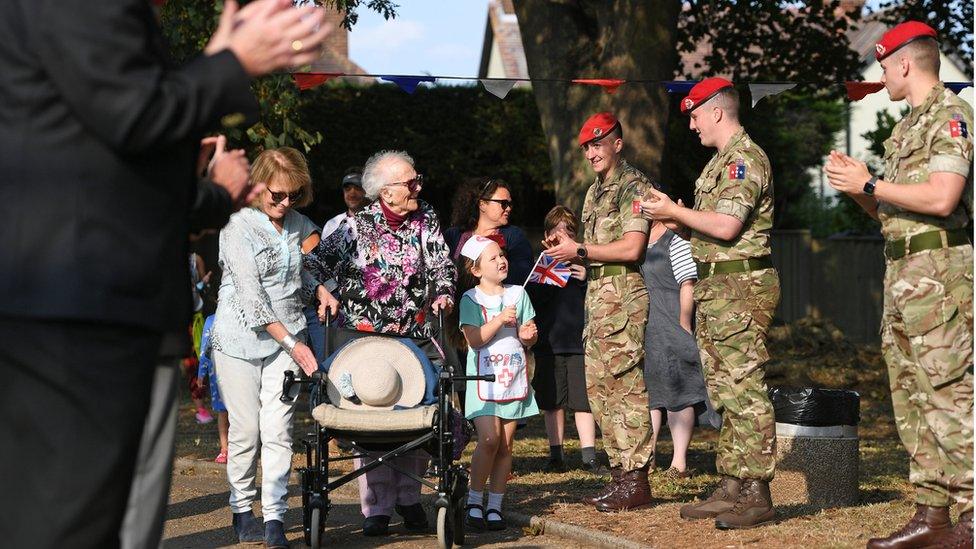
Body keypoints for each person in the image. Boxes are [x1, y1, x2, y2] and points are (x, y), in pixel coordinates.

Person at [0, 0, 330, 545]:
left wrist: (212, 192)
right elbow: (130, 114)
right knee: (69, 523)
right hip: (78, 305)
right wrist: (231, 62)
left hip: (85, 299)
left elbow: (105, 156)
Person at [823, 21, 973, 548]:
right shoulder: (906, 128)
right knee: (912, 401)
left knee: (951, 398)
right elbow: (888, 209)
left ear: (906, 63)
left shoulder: (951, 116)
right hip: (902, 277)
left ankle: (973, 518)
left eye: (885, 65)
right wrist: (859, 185)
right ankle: (932, 515)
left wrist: (869, 181)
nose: (881, 74)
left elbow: (941, 199)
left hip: (940, 279)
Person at [641, 78, 779, 529]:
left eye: (695, 114)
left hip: (740, 290)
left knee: (745, 389)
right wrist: (679, 222)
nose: (692, 124)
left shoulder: (743, 160)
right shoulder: (720, 162)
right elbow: (711, 231)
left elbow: (726, 226)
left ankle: (757, 490)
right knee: (723, 389)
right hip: (718, 290)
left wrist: (675, 214)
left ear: (717, 111)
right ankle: (733, 486)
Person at [304, 150, 456, 537]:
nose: (418, 187)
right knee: (369, 419)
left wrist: (442, 293)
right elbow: (312, 265)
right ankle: (376, 507)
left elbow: (441, 265)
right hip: (362, 336)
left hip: (414, 333)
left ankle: (409, 498)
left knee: (417, 416)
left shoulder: (426, 217)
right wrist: (326, 291)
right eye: (410, 182)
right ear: (386, 193)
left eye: (417, 179)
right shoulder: (357, 226)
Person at [211, 147, 328, 547]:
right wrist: (295, 344)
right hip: (239, 338)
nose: (283, 203)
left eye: (292, 195)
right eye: (276, 195)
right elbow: (253, 297)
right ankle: (241, 507)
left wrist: (321, 288)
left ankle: (275, 516)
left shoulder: (297, 223)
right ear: (258, 186)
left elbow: (299, 269)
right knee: (246, 431)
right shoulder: (236, 226)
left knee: (278, 430)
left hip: (287, 335)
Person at [544, 112, 655, 512]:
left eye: (598, 143)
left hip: (624, 295)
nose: (591, 152)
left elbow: (631, 249)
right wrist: (569, 244)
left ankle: (637, 480)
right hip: (598, 295)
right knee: (602, 391)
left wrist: (581, 251)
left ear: (617, 143)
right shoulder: (595, 191)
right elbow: (593, 250)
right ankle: (620, 475)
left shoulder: (633, 185)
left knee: (626, 388)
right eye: (586, 147)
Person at [457, 236, 538, 531]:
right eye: (493, 258)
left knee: (505, 445)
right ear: (477, 270)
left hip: (512, 378)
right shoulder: (470, 299)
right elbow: (474, 339)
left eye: (502, 255)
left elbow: (528, 337)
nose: (501, 260)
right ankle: (474, 500)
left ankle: (495, 505)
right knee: (489, 439)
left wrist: (528, 335)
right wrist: (500, 320)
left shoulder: (519, 294)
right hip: (484, 380)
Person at [527, 206, 601, 473]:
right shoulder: (540, 267)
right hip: (549, 344)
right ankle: (555, 455)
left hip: (579, 344)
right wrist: (549, 278)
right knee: (551, 402)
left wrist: (585, 279)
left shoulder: (586, 266)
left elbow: (597, 301)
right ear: (547, 236)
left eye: (569, 234)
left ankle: (589, 455)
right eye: (557, 235)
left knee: (583, 402)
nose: (563, 239)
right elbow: (533, 301)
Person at [639, 218, 714, 478]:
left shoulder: (675, 238)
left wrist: (683, 323)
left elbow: (688, 282)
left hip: (670, 320)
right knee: (649, 392)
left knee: (676, 390)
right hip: (645, 324)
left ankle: (678, 462)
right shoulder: (635, 237)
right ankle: (646, 457)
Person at [445, 177, 535, 284]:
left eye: (509, 204)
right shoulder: (454, 235)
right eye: (503, 203)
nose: (508, 208)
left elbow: (522, 277)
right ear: (482, 204)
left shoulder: (514, 236)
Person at [198, 314, 230, 464]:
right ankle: (224, 449)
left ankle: (241, 448)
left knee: (241, 411)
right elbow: (205, 349)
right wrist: (201, 374)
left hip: (240, 368)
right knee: (223, 411)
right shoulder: (212, 320)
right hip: (217, 372)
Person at [322, 167, 369, 237]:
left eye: (357, 187)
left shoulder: (378, 222)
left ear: (366, 191)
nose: (352, 194)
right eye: (347, 188)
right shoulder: (332, 225)